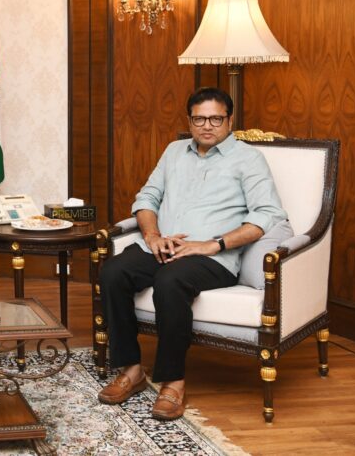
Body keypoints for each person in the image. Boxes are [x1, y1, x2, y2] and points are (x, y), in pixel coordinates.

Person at [97, 87, 287, 420]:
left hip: (213, 257)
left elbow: (265, 215)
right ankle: (131, 369)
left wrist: (211, 243)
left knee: (171, 282)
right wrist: (153, 236)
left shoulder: (248, 159)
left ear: (229, 120)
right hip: (163, 246)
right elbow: (147, 198)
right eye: (199, 118)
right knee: (113, 271)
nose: (207, 126)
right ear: (190, 120)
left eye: (216, 118)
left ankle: (173, 382)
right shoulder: (174, 151)